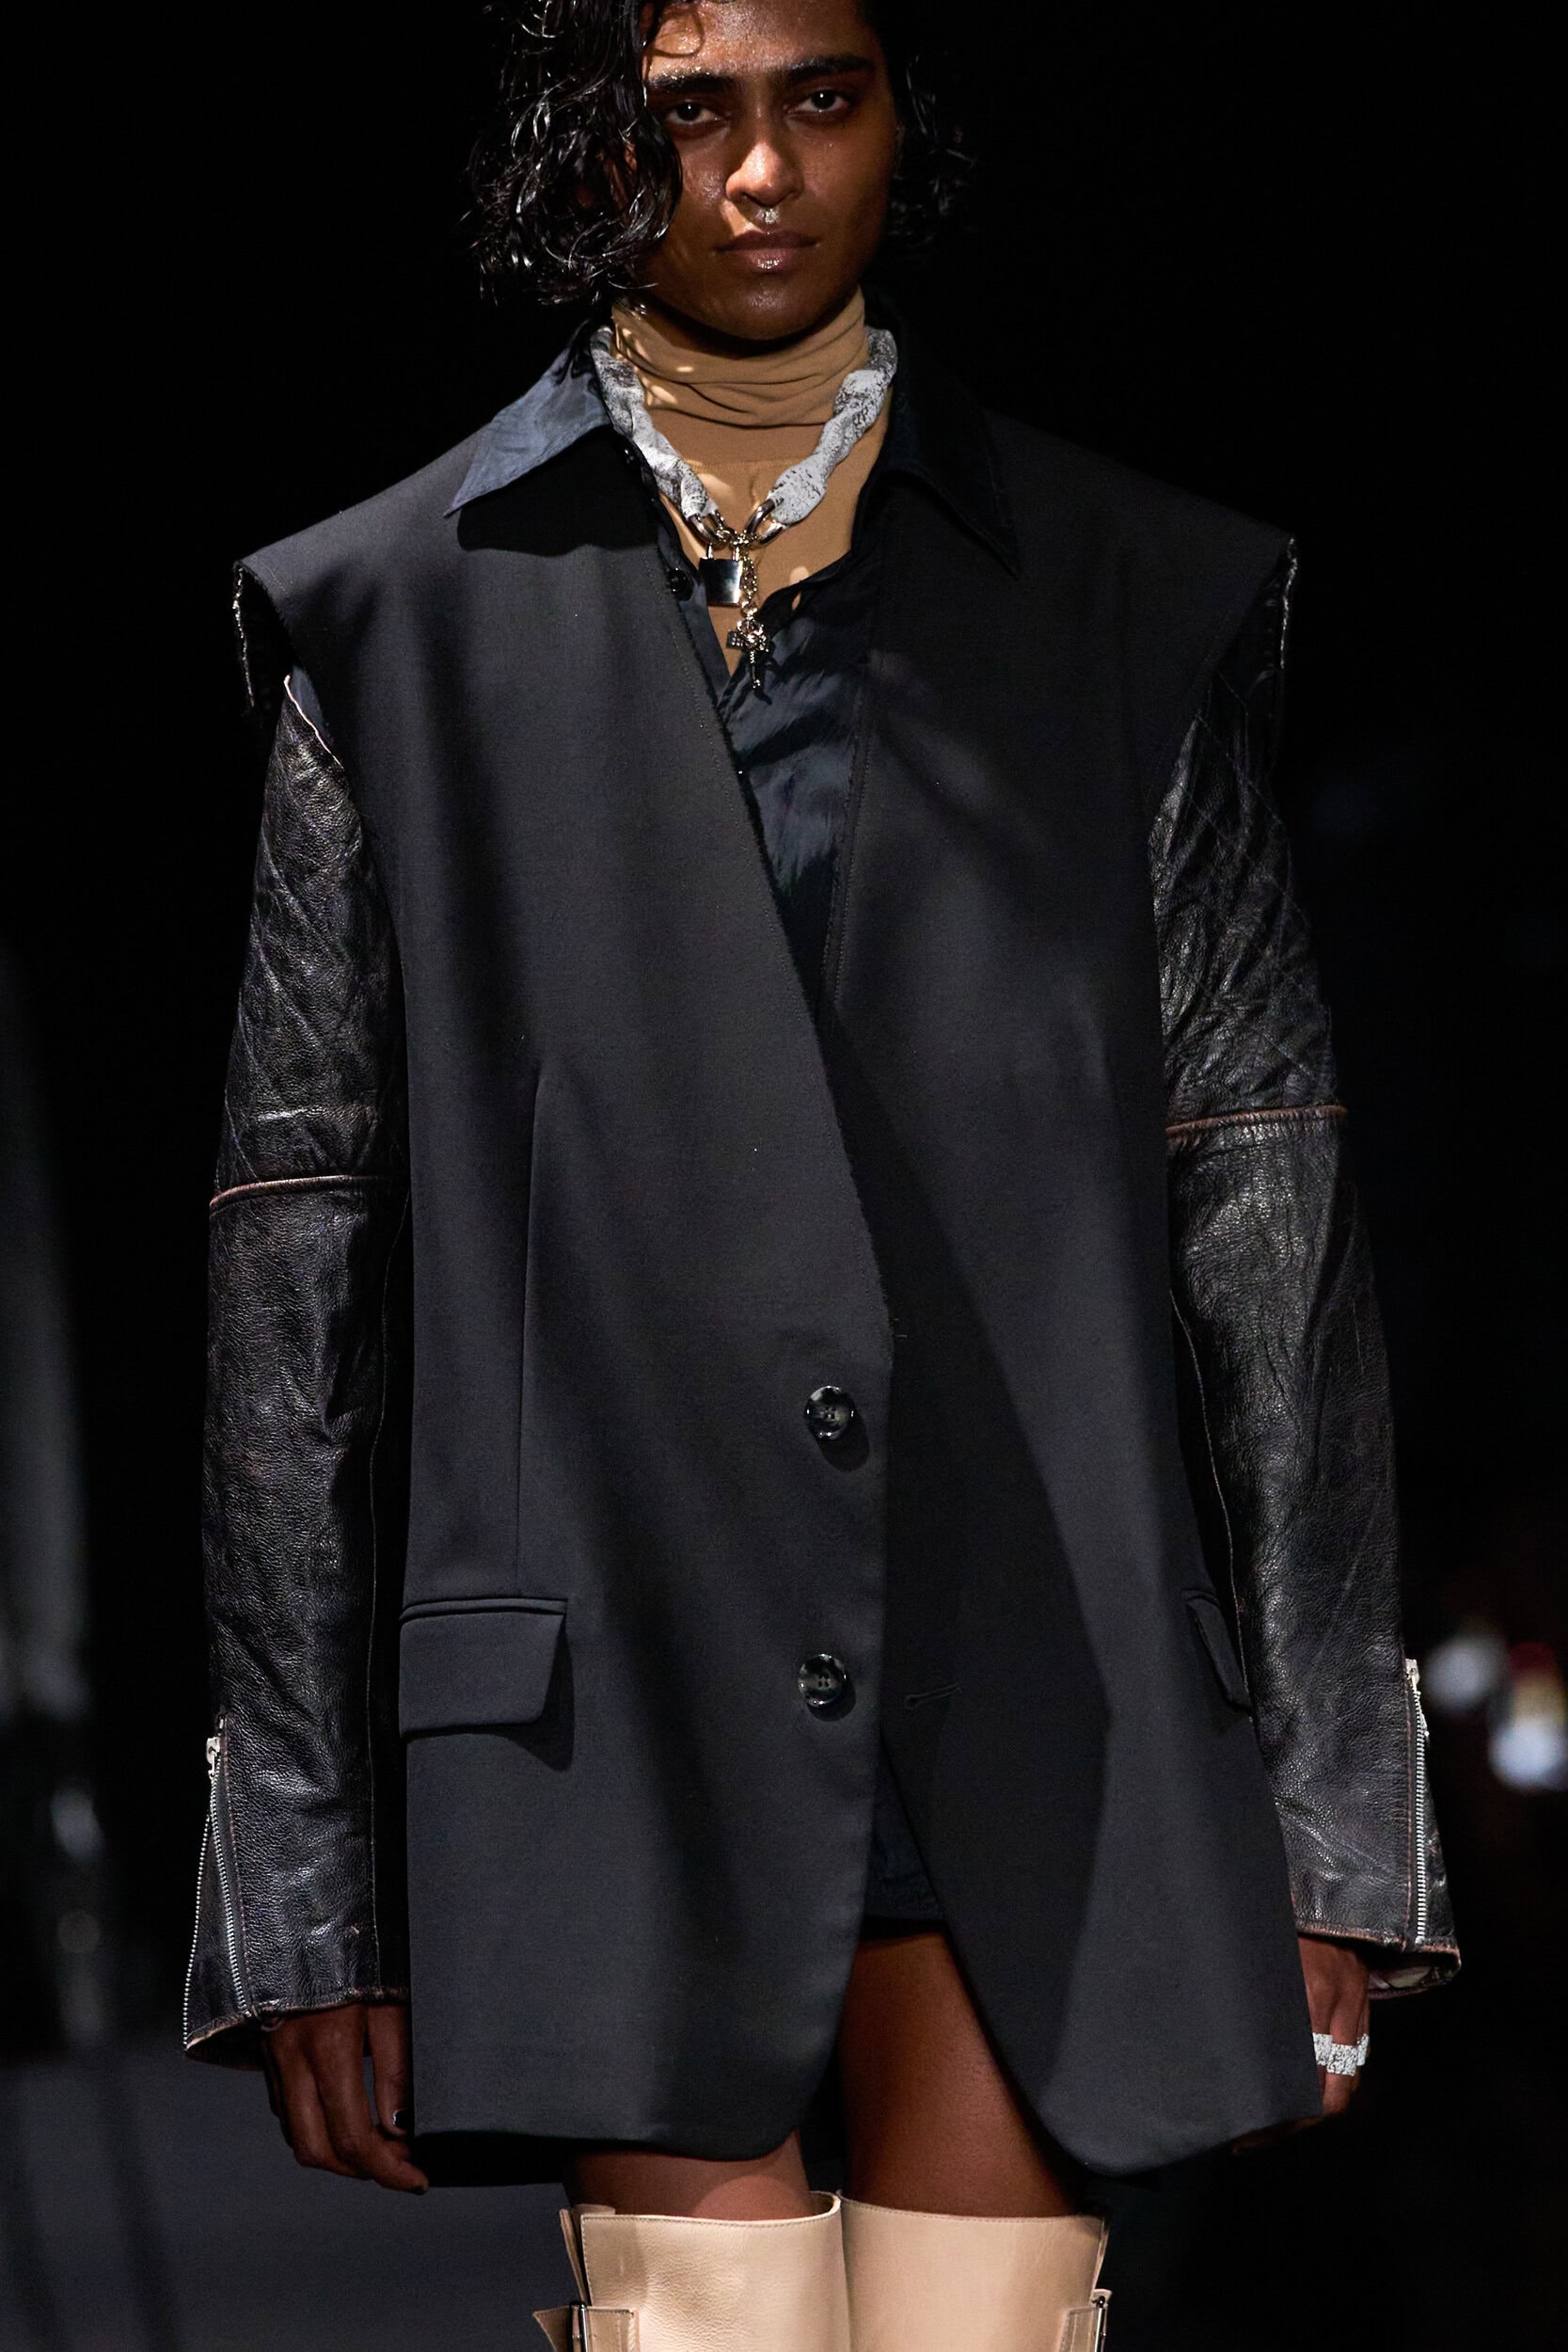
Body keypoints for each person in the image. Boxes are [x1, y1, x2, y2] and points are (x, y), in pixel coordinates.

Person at [184, 3, 1457, 2344]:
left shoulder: (1123, 589)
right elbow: (298, 1270)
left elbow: (1267, 1224)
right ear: (587, 140)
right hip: (603, 1692)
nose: (763, 171)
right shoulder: (391, 621)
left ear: (904, 119)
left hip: (1040, 1657)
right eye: (692, 110)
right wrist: (299, 1868)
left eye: (823, 97)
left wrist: (1337, 1826)